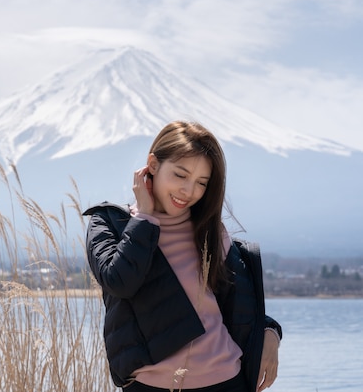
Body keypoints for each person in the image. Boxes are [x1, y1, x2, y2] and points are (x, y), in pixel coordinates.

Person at [83, 121, 281, 392]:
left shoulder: (210, 232)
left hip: (225, 381)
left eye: (201, 182)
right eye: (180, 175)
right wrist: (144, 217)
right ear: (152, 165)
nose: (189, 192)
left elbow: (237, 306)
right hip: (149, 386)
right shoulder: (111, 224)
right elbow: (120, 281)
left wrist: (271, 333)